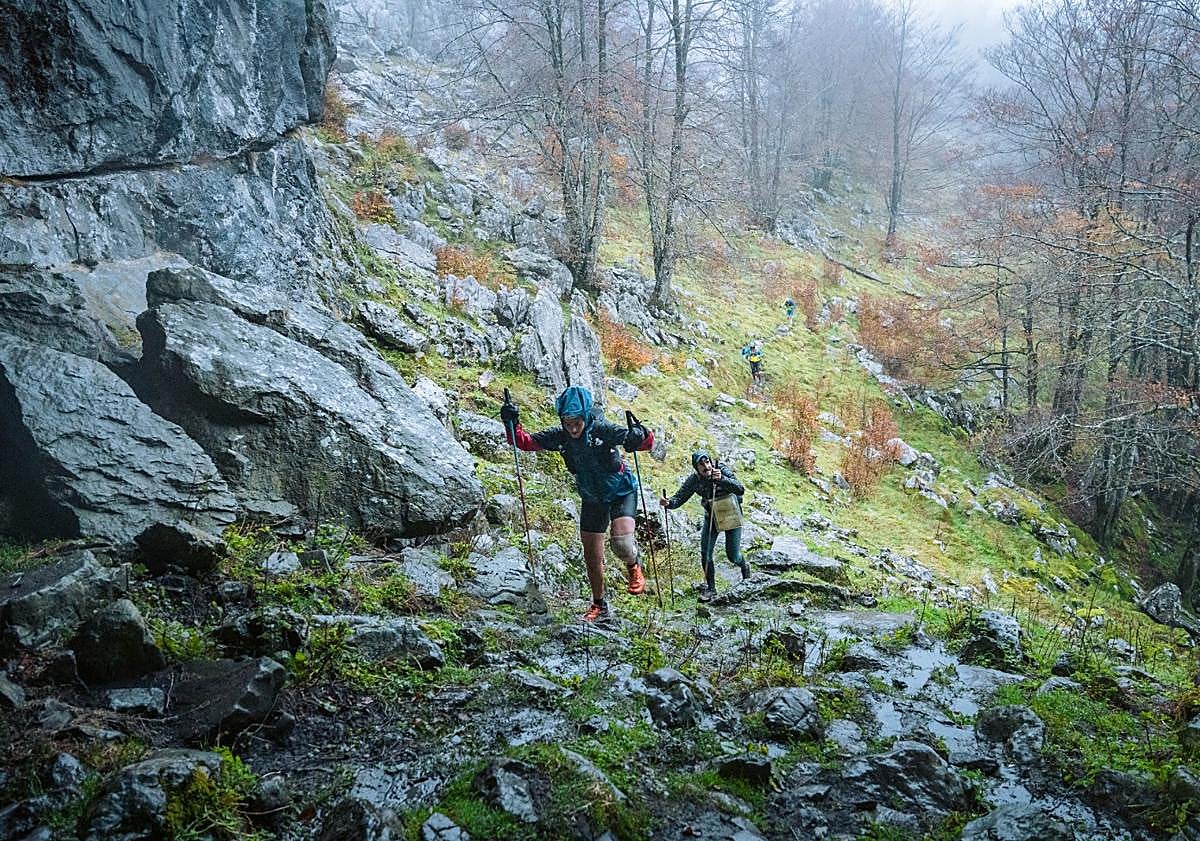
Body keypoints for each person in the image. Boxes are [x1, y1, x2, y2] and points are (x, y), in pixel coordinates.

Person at [501, 385, 654, 622]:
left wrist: (641, 434)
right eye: (567, 422)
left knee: (622, 545)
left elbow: (644, 443)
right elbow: (525, 443)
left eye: (577, 422)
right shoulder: (560, 436)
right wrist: (511, 422)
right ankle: (599, 605)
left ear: (586, 416)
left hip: (621, 491)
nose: (572, 428)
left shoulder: (603, 429)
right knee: (592, 556)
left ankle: (634, 565)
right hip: (592, 497)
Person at [660, 452, 749, 601]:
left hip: (731, 514)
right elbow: (679, 497)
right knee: (705, 552)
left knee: (732, 555)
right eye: (701, 465)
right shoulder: (694, 480)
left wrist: (722, 479)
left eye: (707, 462)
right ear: (696, 468)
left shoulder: (720, 469)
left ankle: (744, 566)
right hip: (712, 518)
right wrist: (668, 503)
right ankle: (711, 589)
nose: (706, 467)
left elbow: (740, 489)